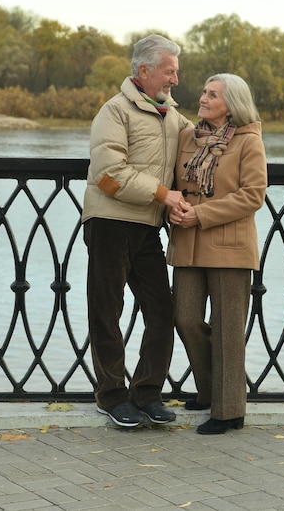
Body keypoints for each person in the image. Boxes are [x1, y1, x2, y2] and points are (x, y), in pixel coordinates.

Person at [82, 34, 192, 428]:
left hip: (147, 227)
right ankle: (111, 396)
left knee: (162, 312)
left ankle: (146, 395)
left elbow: (203, 149)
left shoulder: (174, 117)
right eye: (169, 71)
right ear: (143, 71)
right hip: (109, 223)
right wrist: (165, 195)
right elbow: (109, 175)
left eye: (176, 72)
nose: (175, 80)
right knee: (106, 311)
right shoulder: (114, 112)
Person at [167, 73, 267, 434]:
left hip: (229, 246)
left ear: (231, 105)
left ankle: (228, 410)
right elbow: (174, 187)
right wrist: (173, 210)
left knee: (228, 329)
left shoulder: (248, 142)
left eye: (213, 95)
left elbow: (252, 195)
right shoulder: (186, 138)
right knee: (185, 318)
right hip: (188, 244)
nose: (203, 98)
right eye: (204, 92)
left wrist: (201, 214)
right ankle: (211, 390)